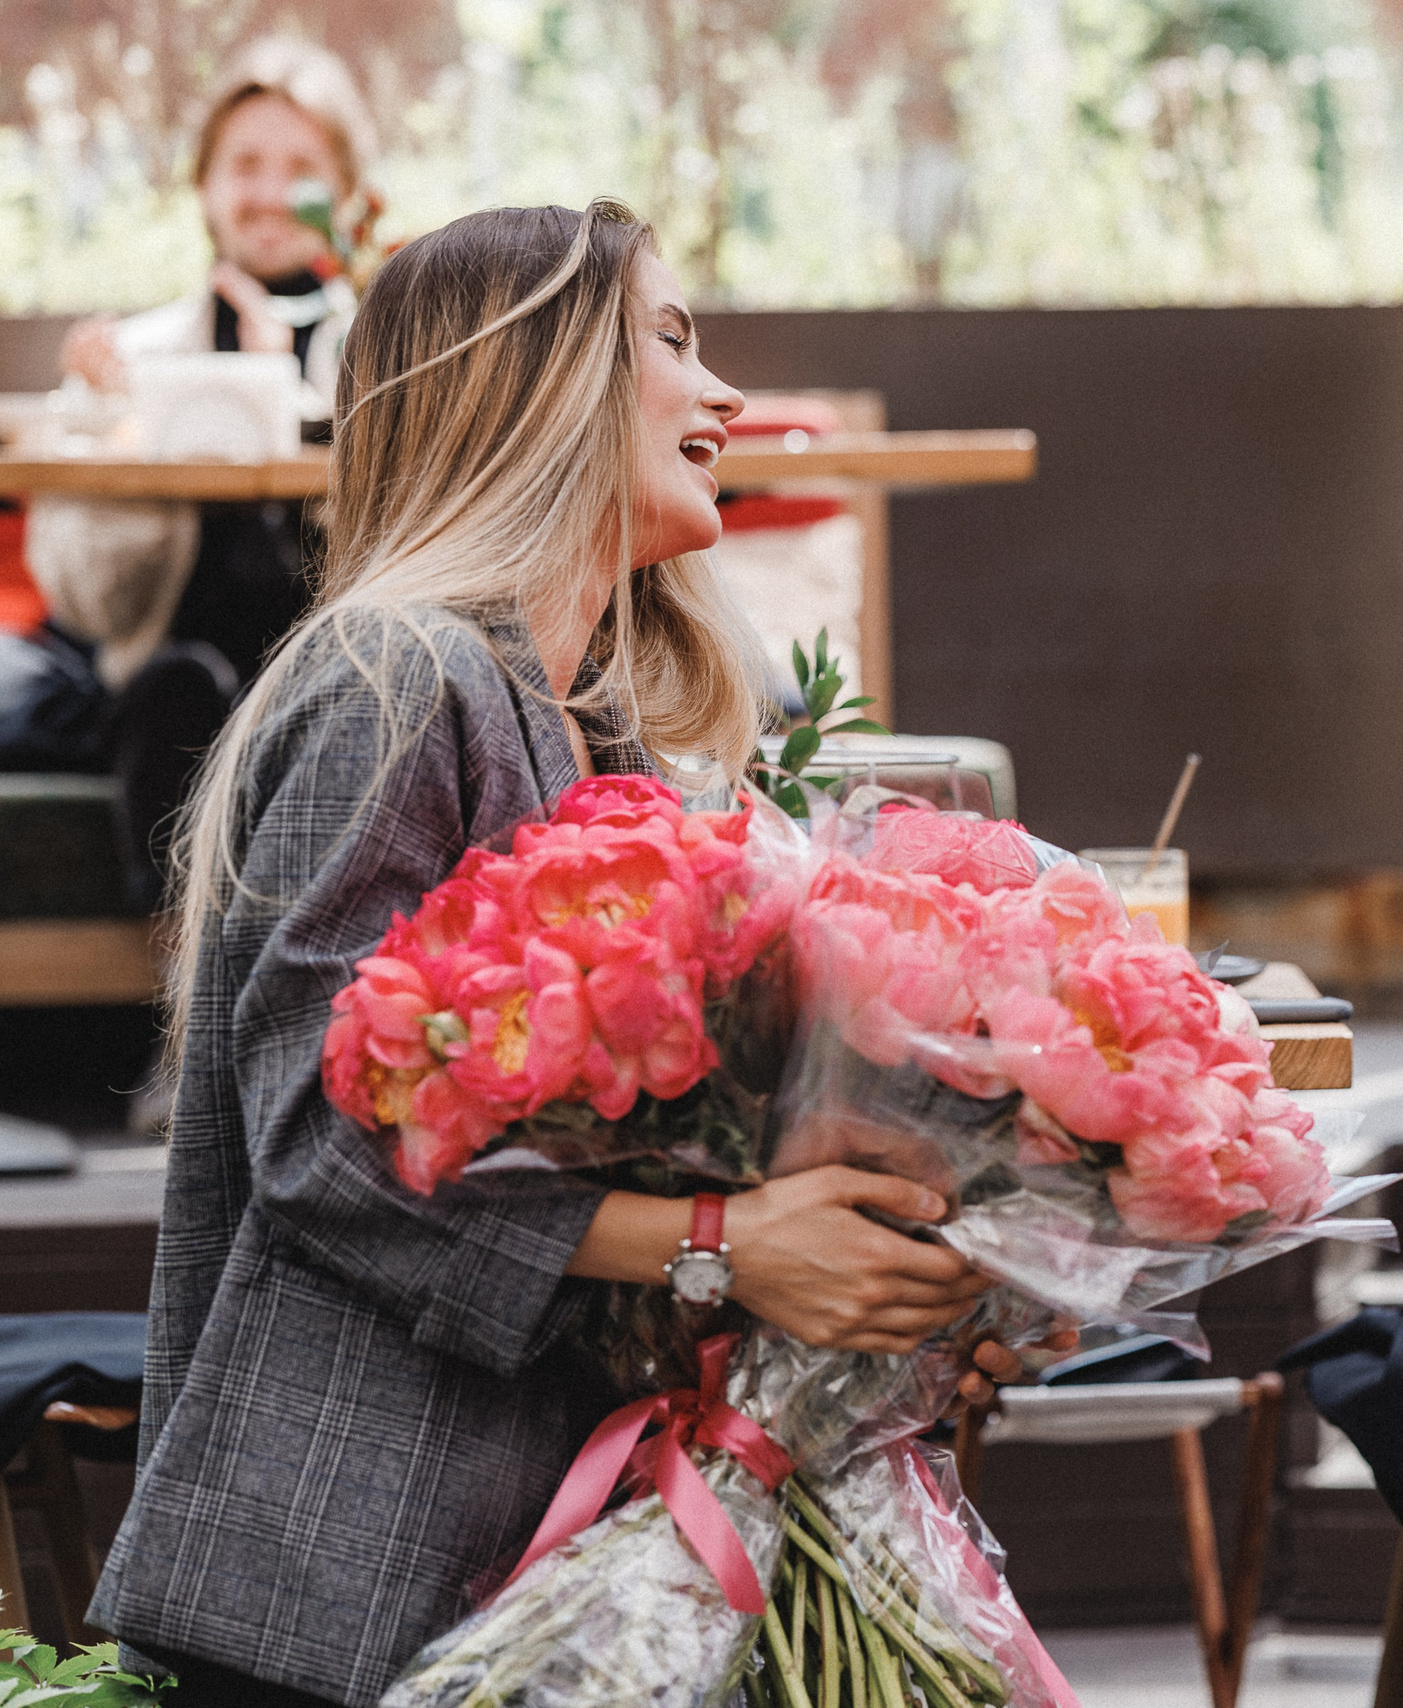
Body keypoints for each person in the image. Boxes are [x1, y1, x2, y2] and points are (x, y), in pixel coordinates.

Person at [82, 201, 1065, 1707]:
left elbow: (643, 1171)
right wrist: (728, 1243)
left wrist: (902, 1288)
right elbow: (317, 1146)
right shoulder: (394, 675)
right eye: (670, 339)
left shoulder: (592, 728)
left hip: (528, 1574)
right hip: (346, 1587)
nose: (724, 391)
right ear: (535, 381)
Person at [25, 37, 373, 912]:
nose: (269, 193)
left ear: (348, 192)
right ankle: (191, 954)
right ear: (205, 185)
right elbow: (84, 603)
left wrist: (284, 398)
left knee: (317, 698)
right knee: (179, 690)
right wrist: (124, 429)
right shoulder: (132, 358)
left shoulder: (384, 360)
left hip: (326, 679)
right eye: (244, 165)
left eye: (302, 168)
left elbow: (407, 560)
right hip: (163, 693)